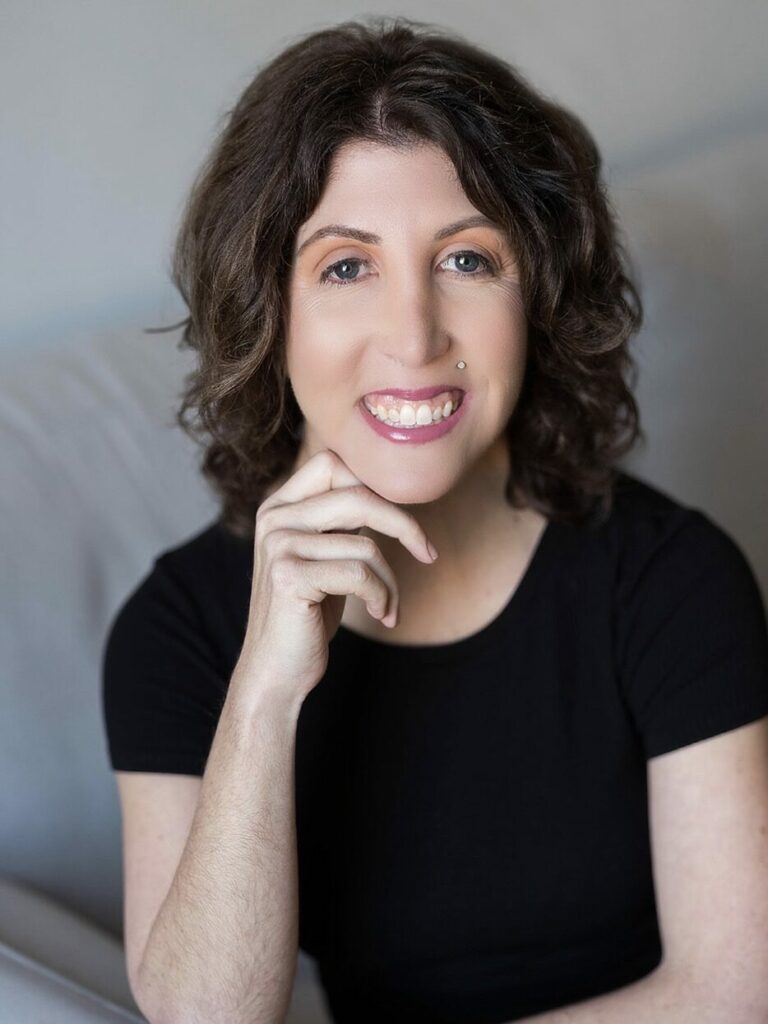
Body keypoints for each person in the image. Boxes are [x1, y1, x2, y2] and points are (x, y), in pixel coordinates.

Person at [101, 15, 768, 1024]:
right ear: (265, 313)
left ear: (535, 295)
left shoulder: (673, 582)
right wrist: (266, 692)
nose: (413, 335)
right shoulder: (178, 630)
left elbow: (733, 989)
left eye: (466, 260)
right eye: (345, 266)